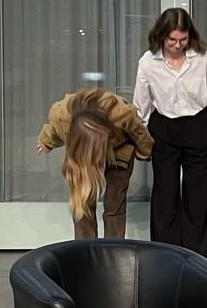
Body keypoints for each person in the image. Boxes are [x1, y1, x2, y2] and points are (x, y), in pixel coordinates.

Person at [134, 7, 207, 257]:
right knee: (165, 194)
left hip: (197, 127)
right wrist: (138, 136)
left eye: (182, 40)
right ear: (161, 35)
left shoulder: (203, 58)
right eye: (172, 40)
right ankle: (166, 257)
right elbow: (141, 104)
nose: (177, 45)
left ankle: (196, 259)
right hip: (163, 128)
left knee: (198, 195)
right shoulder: (148, 62)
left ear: (189, 36)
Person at [36, 88, 152, 240]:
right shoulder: (62, 115)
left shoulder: (121, 113)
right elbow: (54, 129)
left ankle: (113, 247)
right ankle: (85, 246)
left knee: (114, 200)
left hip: (119, 147)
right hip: (82, 153)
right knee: (82, 201)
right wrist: (46, 141)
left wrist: (145, 151)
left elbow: (139, 132)